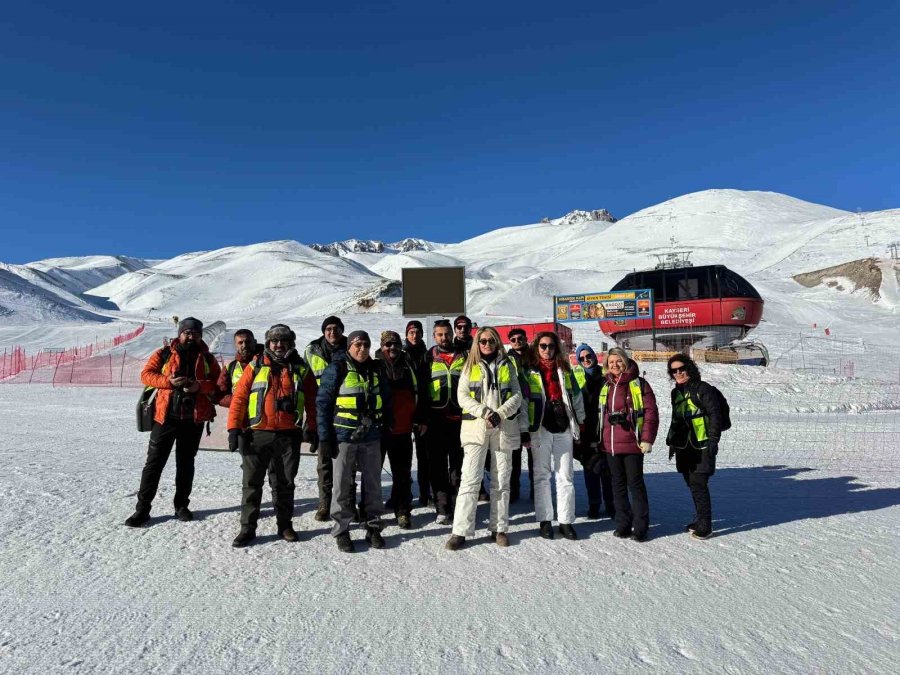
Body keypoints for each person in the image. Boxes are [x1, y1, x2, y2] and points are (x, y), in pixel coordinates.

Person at [226, 324, 317, 547]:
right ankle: (247, 528)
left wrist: (313, 428)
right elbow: (239, 398)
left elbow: (313, 402)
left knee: (284, 483)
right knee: (251, 483)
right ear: (268, 343)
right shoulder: (256, 365)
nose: (278, 345)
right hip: (256, 434)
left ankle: (285, 525)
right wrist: (233, 428)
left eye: (283, 341)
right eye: (274, 341)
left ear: (290, 343)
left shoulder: (301, 368)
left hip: (289, 435)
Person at [125, 317, 221, 527]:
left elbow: (217, 383)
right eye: (187, 333)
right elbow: (146, 375)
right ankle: (142, 510)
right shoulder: (164, 353)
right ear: (180, 334)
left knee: (186, 464)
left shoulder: (207, 358)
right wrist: (168, 381)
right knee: (154, 464)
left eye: (195, 333)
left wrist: (199, 387)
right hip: (165, 418)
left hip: (193, 420)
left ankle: (181, 506)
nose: (191, 337)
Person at [445, 327, 525, 550]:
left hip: (503, 427)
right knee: (470, 480)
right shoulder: (469, 366)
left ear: (497, 342)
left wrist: (500, 413)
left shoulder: (508, 365)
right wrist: (485, 412)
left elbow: (517, 395)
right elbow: (462, 396)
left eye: (491, 340)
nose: (487, 344)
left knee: (502, 480)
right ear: (477, 344)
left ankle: (499, 528)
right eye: (483, 341)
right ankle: (460, 531)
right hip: (476, 428)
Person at [317, 330, 392, 553]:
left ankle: (373, 526)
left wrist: (387, 424)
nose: (362, 349)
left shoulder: (377, 369)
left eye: (366, 345)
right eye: (357, 345)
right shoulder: (337, 368)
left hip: (372, 435)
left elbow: (386, 398)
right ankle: (341, 530)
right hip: (344, 436)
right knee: (342, 485)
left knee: (373, 483)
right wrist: (324, 438)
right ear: (349, 346)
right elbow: (323, 404)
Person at [592, 347, 659, 542]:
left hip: (632, 444)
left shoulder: (639, 384)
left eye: (619, 361)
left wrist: (647, 439)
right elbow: (600, 414)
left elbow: (651, 413)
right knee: (617, 485)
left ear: (626, 361)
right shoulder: (606, 385)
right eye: (611, 362)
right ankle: (622, 524)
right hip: (610, 444)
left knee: (635, 485)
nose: (615, 365)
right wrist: (598, 439)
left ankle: (641, 527)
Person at [524, 331, 585, 540]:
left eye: (551, 346)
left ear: (556, 348)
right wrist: (525, 428)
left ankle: (566, 521)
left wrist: (581, 423)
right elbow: (524, 401)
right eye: (543, 346)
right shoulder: (530, 371)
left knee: (565, 475)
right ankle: (545, 520)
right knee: (541, 475)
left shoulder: (565, 370)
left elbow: (576, 397)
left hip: (563, 426)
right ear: (536, 348)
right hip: (540, 427)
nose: (547, 350)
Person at [374, 330, 429, 529]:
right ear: (382, 346)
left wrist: (420, 418)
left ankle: (403, 511)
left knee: (402, 475)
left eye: (396, 344)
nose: (392, 348)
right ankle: (371, 512)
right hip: (379, 431)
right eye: (388, 344)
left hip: (403, 429)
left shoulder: (408, 366)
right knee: (373, 475)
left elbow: (420, 393)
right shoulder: (375, 367)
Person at [665, 353, 722, 540]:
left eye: (681, 369)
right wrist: (672, 442)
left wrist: (713, 440)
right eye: (674, 371)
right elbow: (676, 419)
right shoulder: (676, 392)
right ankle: (700, 519)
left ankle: (705, 525)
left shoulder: (703, 389)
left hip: (702, 444)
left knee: (699, 484)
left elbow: (715, 415)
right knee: (691, 483)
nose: (678, 373)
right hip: (683, 446)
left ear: (689, 368)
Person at [424, 319, 468, 524]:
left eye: (447, 334)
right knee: (437, 466)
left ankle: (458, 506)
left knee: (458, 467)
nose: (444, 338)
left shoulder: (464, 356)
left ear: (452, 334)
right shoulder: (428, 358)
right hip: (435, 421)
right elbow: (421, 389)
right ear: (434, 336)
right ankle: (442, 508)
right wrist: (422, 418)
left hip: (460, 420)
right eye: (440, 334)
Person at [304, 315, 348, 521]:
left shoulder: (351, 347)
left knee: (346, 461)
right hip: (322, 412)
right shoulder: (312, 350)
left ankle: (346, 502)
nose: (332, 332)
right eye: (328, 329)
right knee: (324, 461)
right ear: (323, 331)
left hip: (345, 410)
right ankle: (324, 502)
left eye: (336, 328)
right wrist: (309, 420)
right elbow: (305, 385)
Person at [572, 343, 614, 519]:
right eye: (582, 358)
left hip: (605, 427)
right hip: (585, 429)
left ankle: (611, 504)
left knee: (608, 470)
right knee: (591, 469)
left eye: (588, 356)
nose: (586, 360)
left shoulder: (606, 375)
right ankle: (594, 504)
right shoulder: (574, 376)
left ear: (594, 356)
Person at [215, 329, 264, 453]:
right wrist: (238, 401)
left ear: (255, 342)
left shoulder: (267, 363)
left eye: (248, 342)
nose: (244, 345)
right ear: (235, 345)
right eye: (240, 342)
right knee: (250, 461)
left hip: (266, 423)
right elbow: (218, 395)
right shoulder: (230, 367)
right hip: (243, 424)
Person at [403, 320, 432, 507]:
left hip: (422, 410)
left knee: (424, 456)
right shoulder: (401, 354)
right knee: (403, 457)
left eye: (418, 332)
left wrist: (425, 415)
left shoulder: (428, 355)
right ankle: (402, 494)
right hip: (404, 412)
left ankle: (425, 493)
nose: (415, 335)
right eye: (411, 332)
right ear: (406, 335)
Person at [506, 327, 534, 502]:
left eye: (520, 338)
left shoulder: (535, 357)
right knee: (514, 453)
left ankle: (535, 489)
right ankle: (513, 489)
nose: (517, 342)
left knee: (534, 453)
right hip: (515, 410)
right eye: (513, 339)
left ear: (525, 339)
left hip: (534, 409)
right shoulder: (506, 359)